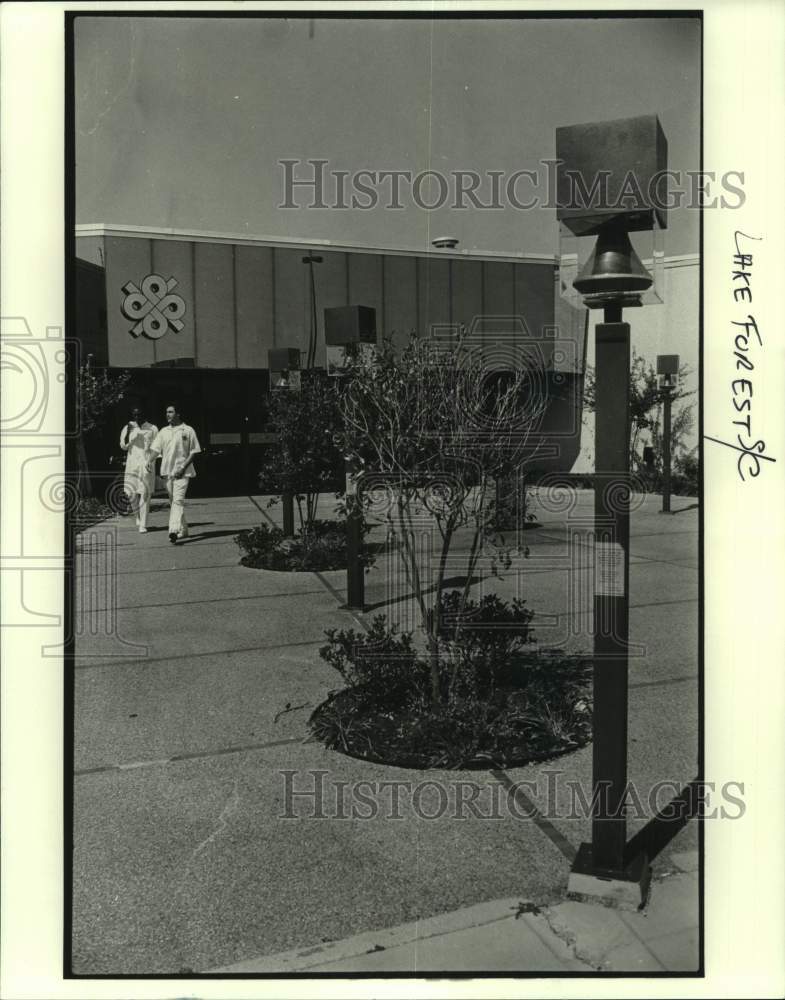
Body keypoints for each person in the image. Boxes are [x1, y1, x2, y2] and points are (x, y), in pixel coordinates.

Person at [147, 404, 201, 544]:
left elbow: (194, 452)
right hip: (167, 472)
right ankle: (184, 530)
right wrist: (149, 461)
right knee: (174, 501)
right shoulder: (163, 431)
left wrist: (182, 467)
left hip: (183, 472)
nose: (168, 414)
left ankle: (173, 530)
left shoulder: (188, 430)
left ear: (178, 414)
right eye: (166, 412)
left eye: (171, 412)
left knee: (177, 500)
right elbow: (156, 449)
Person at [119, 407, 158, 533]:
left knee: (145, 493)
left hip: (146, 464)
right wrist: (131, 436)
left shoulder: (153, 428)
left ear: (144, 415)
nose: (137, 417)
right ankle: (137, 516)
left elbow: (157, 448)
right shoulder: (128, 427)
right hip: (132, 464)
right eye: (135, 415)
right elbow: (123, 446)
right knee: (131, 493)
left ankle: (143, 524)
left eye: (139, 414)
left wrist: (151, 461)